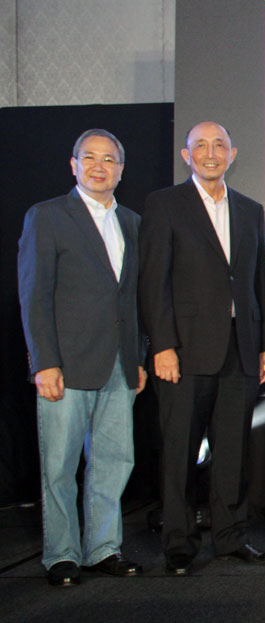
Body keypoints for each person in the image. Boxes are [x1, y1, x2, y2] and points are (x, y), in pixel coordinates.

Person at [139, 121, 265, 575]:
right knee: (179, 453)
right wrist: (162, 345)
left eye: (219, 145)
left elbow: (258, 282)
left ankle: (230, 537)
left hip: (241, 350)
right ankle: (178, 544)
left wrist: (263, 347)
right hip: (185, 353)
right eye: (201, 146)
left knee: (233, 453)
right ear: (186, 155)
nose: (211, 153)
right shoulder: (164, 205)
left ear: (233, 154)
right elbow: (153, 280)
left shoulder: (250, 209)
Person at [18, 129, 146, 587]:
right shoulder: (48, 216)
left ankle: (102, 549)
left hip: (119, 364)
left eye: (109, 159)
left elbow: (131, 300)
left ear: (121, 169)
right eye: (89, 158)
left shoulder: (132, 221)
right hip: (65, 364)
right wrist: (42, 362)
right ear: (73, 165)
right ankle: (61, 555)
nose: (99, 166)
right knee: (60, 465)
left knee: (114, 462)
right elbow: (34, 295)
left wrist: (138, 358)